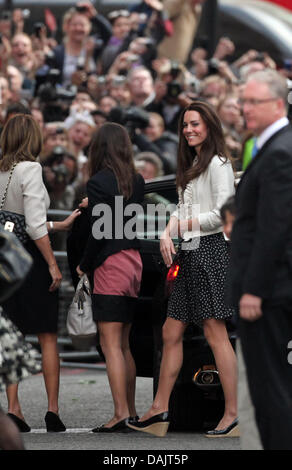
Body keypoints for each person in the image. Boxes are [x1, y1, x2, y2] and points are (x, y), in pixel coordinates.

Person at [128, 100, 238, 437]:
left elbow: (222, 215)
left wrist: (180, 226)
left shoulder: (218, 163)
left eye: (195, 124)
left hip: (210, 252)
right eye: (185, 125)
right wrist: (166, 230)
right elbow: (180, 209)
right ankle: (160, 409)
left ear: (210, 126)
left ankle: (233, 413)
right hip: (190, 254)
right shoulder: (193, 163)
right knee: (171, 332)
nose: (189, 130)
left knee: (215, 332)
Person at [0, 114, 80, 433]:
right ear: (32, 139)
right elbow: (32, 224)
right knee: (47, 335)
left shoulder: (2, 169)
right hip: (31, 259)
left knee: (12, 335)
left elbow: (15, 219)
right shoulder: (31, 169)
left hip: (6, 258)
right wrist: (51, 263)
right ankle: (52, 410)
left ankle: (14, 409)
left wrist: (55, 224)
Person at [229, 69, 292, 450]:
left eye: (253, 102)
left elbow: (274, 230)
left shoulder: (281, 152)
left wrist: (253, 290)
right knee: (270, 393)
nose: (245, 109)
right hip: (268, 291)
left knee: (272, 394)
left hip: (267, 295)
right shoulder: (273, 147)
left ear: (278, 104)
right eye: (243, 101)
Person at [76, 122, 145, 432]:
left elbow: (99, 232)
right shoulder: (137, 180)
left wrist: (84, 264)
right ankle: (129, 411)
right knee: (125, 343)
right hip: (134, 260)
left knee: (110, 344)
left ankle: (119, 414)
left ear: (98, 148)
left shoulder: (98, 182)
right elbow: (125, 220)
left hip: (110, 264)